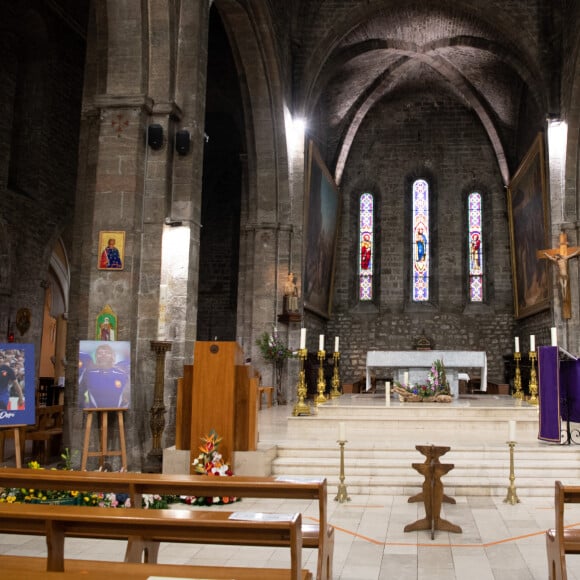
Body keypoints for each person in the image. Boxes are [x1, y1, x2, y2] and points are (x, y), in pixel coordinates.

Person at [80, 344, 130, 408]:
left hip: (117, 413)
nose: (103, 354)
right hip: (94, 413)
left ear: (112, 356)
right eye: (100, 353)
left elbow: (128, 396)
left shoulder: (122, 374)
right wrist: (84, 407)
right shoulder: (88, 373)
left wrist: (124, 408)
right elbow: (80, 392)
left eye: (107, 352)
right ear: (96, 357)